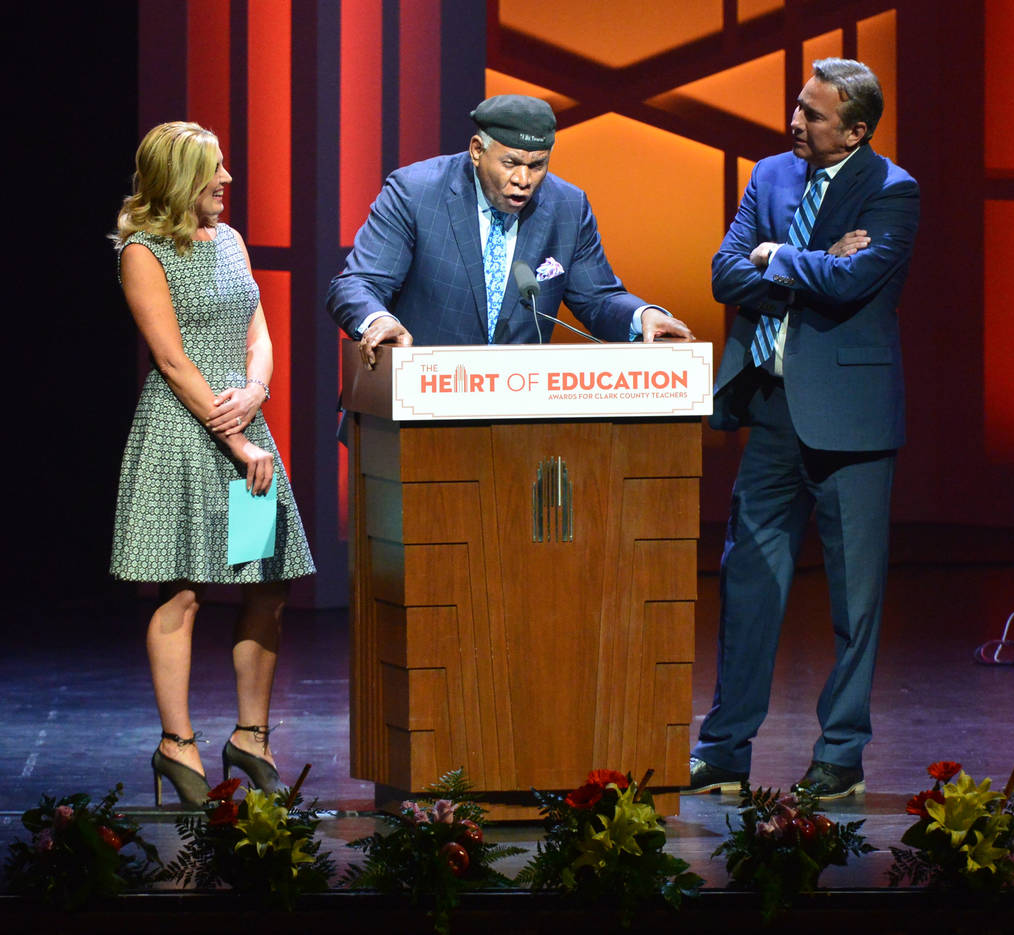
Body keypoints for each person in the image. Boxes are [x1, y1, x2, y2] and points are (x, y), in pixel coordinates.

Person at [687, 59, 920, 799]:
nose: (796, 123)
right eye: (798, 106)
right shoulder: (771, 176)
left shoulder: (892, 191)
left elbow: (855, 283)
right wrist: (808, 262)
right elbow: (726, 272)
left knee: (854, 600)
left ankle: (841, 754)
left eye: (814, 115)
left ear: (855, 128)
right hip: (773, 409)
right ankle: (725, 749)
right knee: (749, 580)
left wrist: (779, 255)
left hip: (851, 423)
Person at [110, 122, 315, 806]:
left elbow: (258, 331)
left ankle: (250, 736)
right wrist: (239, 439)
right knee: (184, 590)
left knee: (264, 581)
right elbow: (170, 359)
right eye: (212, 170)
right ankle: (177, 745)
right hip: (181, 436)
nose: (227, 180)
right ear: (176, 180)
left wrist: (257, 391)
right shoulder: (143, 250)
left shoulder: (230, 241)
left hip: (243, 430)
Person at [326, 94, 694, 358]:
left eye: (537, 165)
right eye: (511, 162)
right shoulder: (416, 192)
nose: (524, 179)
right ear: (476, 150)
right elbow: (357, 284)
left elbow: (597, 298)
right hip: (415, 406)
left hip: (516, 416)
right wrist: (377, 321)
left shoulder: (568, 206)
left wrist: (643, 314)